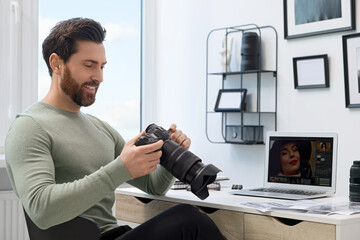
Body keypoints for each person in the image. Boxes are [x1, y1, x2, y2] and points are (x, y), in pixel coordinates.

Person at [5, 18, 226, 240]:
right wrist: (120, 168)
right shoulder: (29, 127)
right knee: (189, 221)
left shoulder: (100, 128)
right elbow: (41, 211)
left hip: (115, 235)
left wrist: (168, 157)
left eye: (102, 67)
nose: (99, 77)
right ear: (56, 64)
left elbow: (153, 186)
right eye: (89, 65)